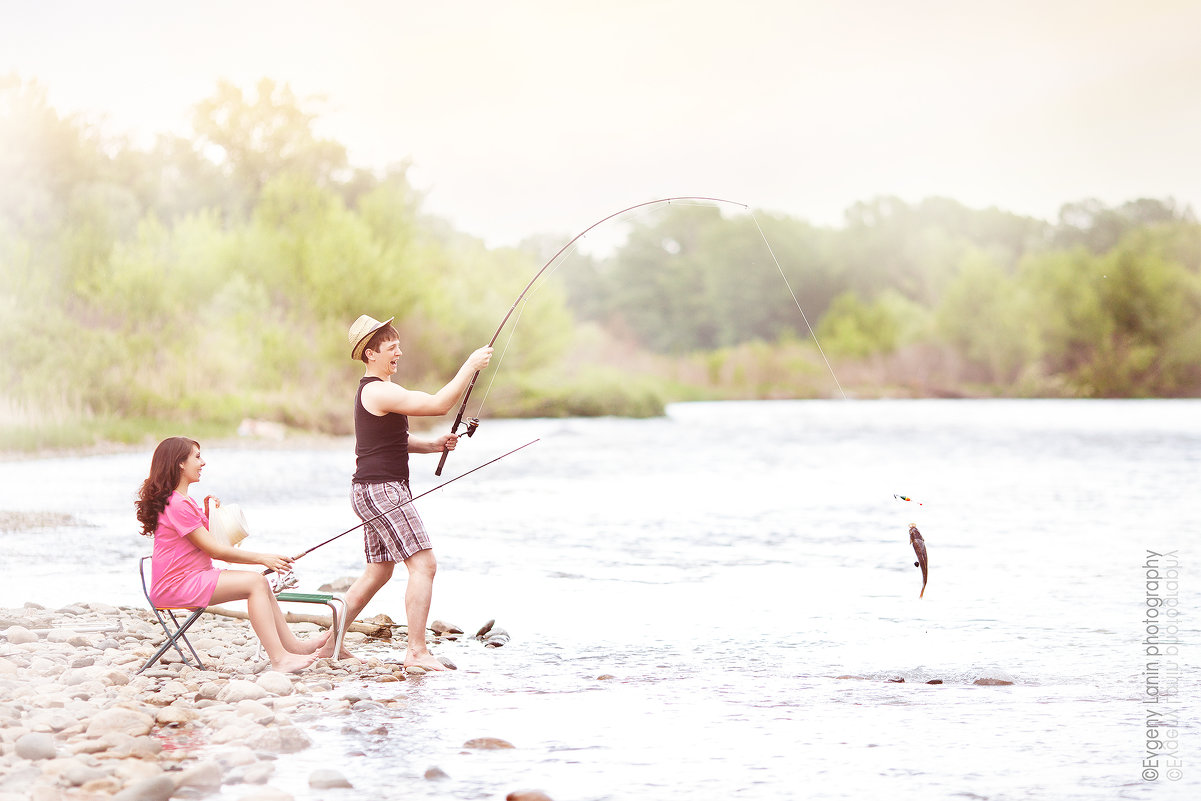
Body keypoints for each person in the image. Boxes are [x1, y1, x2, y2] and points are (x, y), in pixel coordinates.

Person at [315, 314, 491, 670]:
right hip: (382, 491)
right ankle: (416, 652)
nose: (399, 352)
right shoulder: (379, 389)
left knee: (378, 571)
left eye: (398, 346)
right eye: (391, 348)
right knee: (424, 564)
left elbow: (390, 442)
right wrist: (470, 366)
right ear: (370, 354)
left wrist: (432, 445)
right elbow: (440, 404)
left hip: (369, 489)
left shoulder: (375, 391)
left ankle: (328, 646)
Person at [136, 436, 327, 673]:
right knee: (256, 582)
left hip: (191, 577)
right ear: (180, 463)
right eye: (197, 456)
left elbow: (203, 541)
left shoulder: (182, 501)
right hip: (177, 585)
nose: (203, 462)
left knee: (260, 583)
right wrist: (263, 558)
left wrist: (208, 513)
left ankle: (294, 648)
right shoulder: (177, 504)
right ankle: (279, 659)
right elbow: (214, 549)